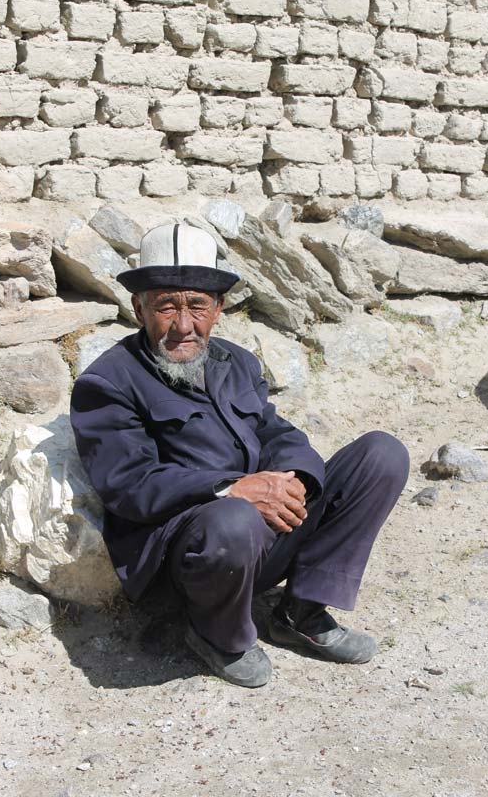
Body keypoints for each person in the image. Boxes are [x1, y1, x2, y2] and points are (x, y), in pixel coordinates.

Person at [70, 222, 409, 688]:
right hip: (196, 557)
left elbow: (274, 431)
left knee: (381, 456)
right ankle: (218, 634)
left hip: (259, 537)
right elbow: (130, 484)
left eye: (197, 306)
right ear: (138, 308)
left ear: (218, 308)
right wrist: (233, 489)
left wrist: (296, 480)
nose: (183, 325)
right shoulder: (108, 382)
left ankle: (300, 612)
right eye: (166, 306)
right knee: (234, 518)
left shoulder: (235, 362)